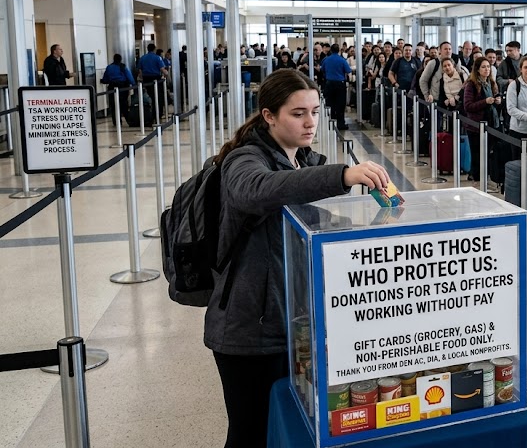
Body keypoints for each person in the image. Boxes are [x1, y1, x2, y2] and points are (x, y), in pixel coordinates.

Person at [204, 69, 390, 448]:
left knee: (287, 428)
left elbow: (304, 220)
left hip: (291, 323)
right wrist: (341, 175)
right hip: (249, 332)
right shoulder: (244, 160)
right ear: (269, 116)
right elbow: (259, 191)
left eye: (316, 111)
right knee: (251, 432)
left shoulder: (299, 160)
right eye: (298, 113)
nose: (310, 123)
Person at [462, 56, 501, 182]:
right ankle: (476, 177)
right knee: (477, 153)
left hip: (490, 122)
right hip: (475, 125)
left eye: (488, 67)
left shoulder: (491, 83)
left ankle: (486, 174)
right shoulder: (471, 84)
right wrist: (485, 102)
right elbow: (468, 106)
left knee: (488, 152)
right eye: (483, 67)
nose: (486, 69)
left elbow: (494, 99)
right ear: (477, 70)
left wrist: (497, 101)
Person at [505, 55, 527, 140]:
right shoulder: (514, 85)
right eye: (525, 67)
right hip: (517, 130)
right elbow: (511, 108)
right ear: (521, 69)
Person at [321, 43, 352, 130]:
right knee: (340, 104)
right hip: (340, 84)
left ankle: (330, 122)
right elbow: (348, 70)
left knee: (330, 103)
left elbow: (322, 69)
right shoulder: (342, 60)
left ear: (331, 50)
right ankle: (340, 123)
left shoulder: (326, 60)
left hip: (329, 83)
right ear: (338, 50)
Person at [100, 53, 136, 117]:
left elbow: (105, 79)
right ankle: (128, 119)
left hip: (112, 87)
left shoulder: (109, 67)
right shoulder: (123, 67)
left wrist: (103, 81)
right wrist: (134, 84)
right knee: (124, 103)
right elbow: (129, 76)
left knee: (113, 105)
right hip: (123, 87)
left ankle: (116, 121)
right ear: (120, 59)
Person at [139, 43, 168, 108]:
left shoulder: (142, 58)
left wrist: (141, 78)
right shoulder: (158, 58)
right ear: (154, 49)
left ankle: (150, 111)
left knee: (149, 95)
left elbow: (140, 70)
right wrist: (166, 74)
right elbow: (162, 69)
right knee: (158, 96)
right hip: (156, 79)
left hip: (146, 79)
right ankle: (158, 112)